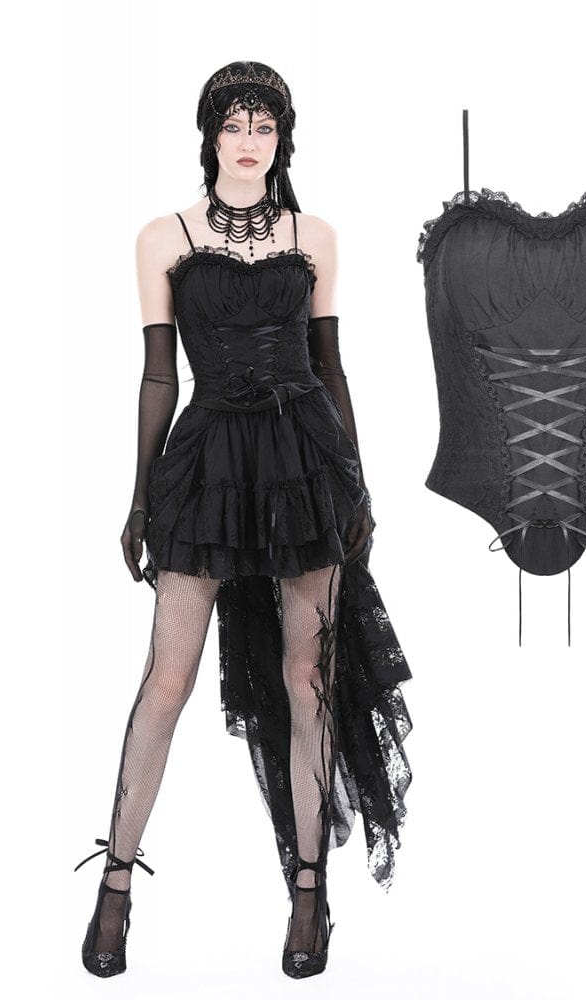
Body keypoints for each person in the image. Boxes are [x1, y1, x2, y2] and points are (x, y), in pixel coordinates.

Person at [73, 61, 413, 981]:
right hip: (210, 463)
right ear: (211, 135)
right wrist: (140, 497)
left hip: (305, 461)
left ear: (282, 139)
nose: (250, 140)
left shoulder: (315, 236)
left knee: (308, 679)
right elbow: (158, 375)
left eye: (265, 125)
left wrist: (358, 487)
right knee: (167, 680)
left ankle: (308, 893)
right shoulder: (164, 237)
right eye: (235, 124)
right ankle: (115, 885)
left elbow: (331, 369)